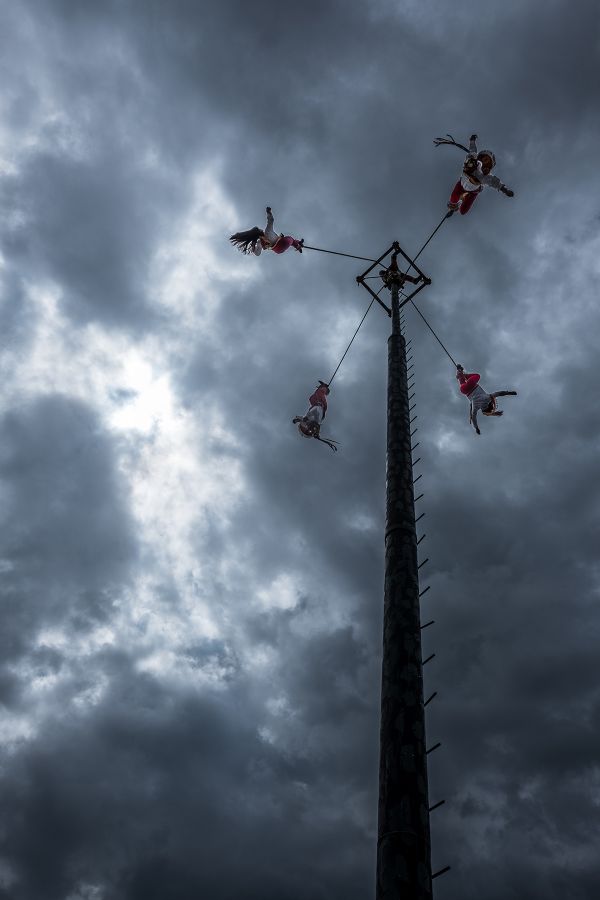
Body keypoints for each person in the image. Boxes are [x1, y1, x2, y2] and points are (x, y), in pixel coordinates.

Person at [447, 135, 514, 215]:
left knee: (463, 211)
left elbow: (494, 182)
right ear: (480, 157)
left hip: (473, 192)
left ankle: (461, 200)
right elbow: (473, 150)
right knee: (453, 200)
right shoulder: (472, 159)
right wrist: (472, 141)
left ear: (488, 166)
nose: (484, 161)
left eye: (487, 161)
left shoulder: (484, 176)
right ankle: (456, 204)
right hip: (461, 185)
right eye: (484, 158)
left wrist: (505, 190)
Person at [456, 364, 517, 435]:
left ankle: (462, 374)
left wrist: (509, 393)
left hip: (472, 384)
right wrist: (476, 428)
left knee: (477, 376)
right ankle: (459, 373)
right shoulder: (476, 407)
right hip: (464, 390)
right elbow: (473, 418)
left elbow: (499, 393)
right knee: (462, 382)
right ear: (483, 410)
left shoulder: (487, 398)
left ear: (490, 405)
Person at [229, 207, 304, 255]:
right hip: (282, 243)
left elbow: (257, 253)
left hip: (277, 250)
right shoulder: (267, 232)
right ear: (259, 231)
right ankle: (297, 244)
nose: (261, 229)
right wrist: (269, 212)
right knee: (290, 239)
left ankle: (298, 244)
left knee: (291, 241)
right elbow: (271, 220)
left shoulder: (259, 242)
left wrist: (253, 246)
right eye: (259, 229)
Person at [293, 381, 338, 451]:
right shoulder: (314, 427)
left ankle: (323, 388)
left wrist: (297, 419)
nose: (307, 429)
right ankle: (323, 388)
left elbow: (301, 419)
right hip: (319, 409)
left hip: (315, 406)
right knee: (318, 397)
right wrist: (317, 435)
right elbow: (317, 427)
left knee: (312, 398)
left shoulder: (306, 422)